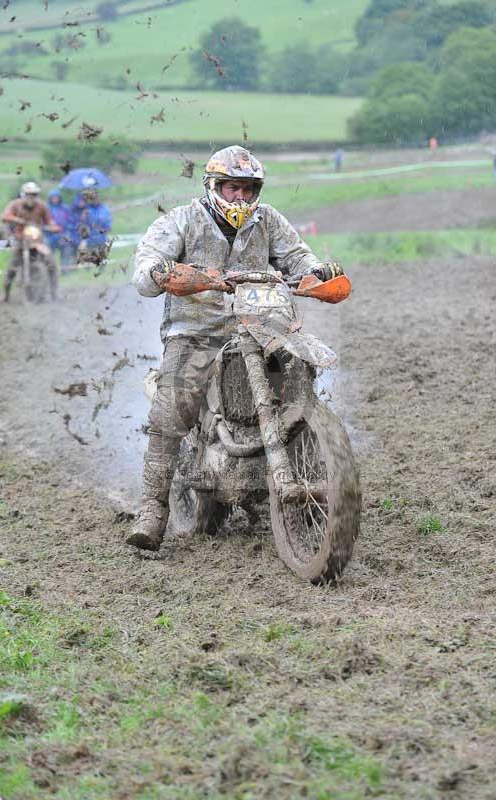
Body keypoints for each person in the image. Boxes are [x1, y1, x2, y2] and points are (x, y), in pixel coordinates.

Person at [127, 144, 343, 551]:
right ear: (214, 187)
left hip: (264, 324)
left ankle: (306, 449)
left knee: (299, 368)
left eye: (247, 189)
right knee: (173, 406)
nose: (240, 198)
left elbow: (299, 257)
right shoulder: (183, 221)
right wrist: (160, 272)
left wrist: (316, 273)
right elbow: (145, 268)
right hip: (197, 330)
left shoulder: (269, 221)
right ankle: (152, 509)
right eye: (232, 189)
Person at [0, 181, 60, 302]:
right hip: (20, 239)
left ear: (37, 195)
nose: (31, 197)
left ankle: (54, 293)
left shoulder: (42, 206)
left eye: (33, 194)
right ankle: (5, 294)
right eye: (28, 194)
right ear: (23, 194)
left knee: (51, 264)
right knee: (12, 266)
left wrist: (53, 227)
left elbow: (50, 221)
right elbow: (5, 216)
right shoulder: (15, 205)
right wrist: (17, 220)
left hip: (37, 240)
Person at [76, 189, 112, 265]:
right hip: (89, 237)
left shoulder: (105, 209)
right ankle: (84, 266)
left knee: (101, 258)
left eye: (95, 198)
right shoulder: (86, 209)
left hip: (101, 237)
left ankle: (100, 263)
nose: (94, 200)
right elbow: (82, 224)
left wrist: (103, 229)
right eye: (92, 198)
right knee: (82, 249)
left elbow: (108, 225)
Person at [46, 189, 71, 272]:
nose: (55, 199)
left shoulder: (65, 208)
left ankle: (65, 271)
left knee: (65, 254)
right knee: (49, 255)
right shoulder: (46, 209)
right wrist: (49, 228)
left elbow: (70, 222)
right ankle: (50, 271)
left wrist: (66, 232)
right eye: (53, 197)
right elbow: (42, 224)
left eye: (56, 197)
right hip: (50, 236)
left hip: (63, 235)